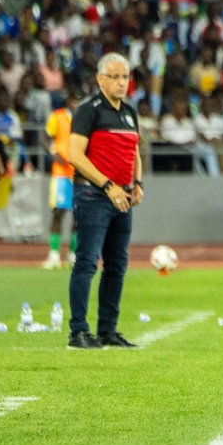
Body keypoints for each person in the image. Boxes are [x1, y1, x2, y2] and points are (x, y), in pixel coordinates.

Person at [65, 54, 144, 350]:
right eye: (115, 77)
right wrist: (108, 185)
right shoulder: (88, 111)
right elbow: (74, 155)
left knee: (116, 265)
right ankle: (78, 332)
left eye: (126, 77)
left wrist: (138, 184)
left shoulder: (130, 112)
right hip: (93, 195)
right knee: (87, 262)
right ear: (100, 79)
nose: (122, 83)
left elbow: (134, 151)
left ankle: (107, 330)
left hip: (121, 196)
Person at [42, 91, 81, 269]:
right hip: (61, 173)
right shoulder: (57, 117)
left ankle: (73, 255)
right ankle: (53, 255)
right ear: (69, 100)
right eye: (75, 100)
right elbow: (45, 139)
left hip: (80, 173)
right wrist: (53, 152)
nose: (77, 105)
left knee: (78, 215)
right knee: (58, 212)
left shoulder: (85, 118)